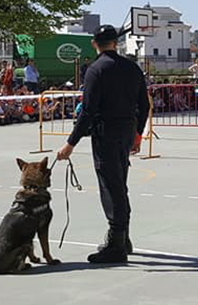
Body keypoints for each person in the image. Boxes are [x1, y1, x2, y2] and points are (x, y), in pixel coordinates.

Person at [57, 24, 149, 264]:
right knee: (120, 183)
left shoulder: (96, 69)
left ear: (94, 43)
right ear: (115, 43)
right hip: (127, 130)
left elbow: (88, 110)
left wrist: (71, 143)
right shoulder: (132, 67)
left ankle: (116, 243)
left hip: (106, 132)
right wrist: (138, 134)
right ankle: (123, 237)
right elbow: (145, 105)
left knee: (111, 186)